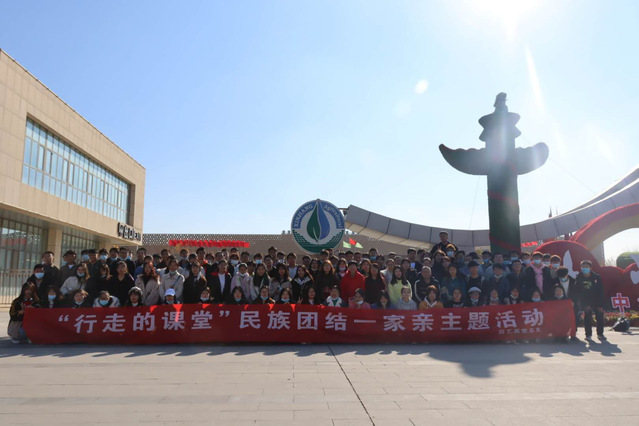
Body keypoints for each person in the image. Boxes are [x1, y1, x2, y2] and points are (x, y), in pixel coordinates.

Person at [575, 260, 606, 340]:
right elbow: (578, 292)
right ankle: (588, 335)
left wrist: (600, 304)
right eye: (583, 267)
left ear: (590, 268)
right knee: (587, 318)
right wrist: (584, 304)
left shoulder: (596, 277)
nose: (585, 268)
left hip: (596, 300)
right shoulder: (578, 277)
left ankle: (600, 334)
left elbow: (601, 291)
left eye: (586, 267)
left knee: (599, 317)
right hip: (586, 301)